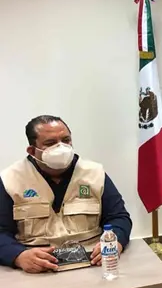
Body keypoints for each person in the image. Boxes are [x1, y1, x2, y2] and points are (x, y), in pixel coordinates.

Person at [0, 115, 132, 273]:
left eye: (66, 140)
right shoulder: (10, 180)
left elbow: (119, 217)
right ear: (32, 151)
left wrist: (116, 241)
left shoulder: (94, 174)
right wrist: (18, 255)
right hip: (39, 268)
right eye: (50, 143)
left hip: (92, 262)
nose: (61, 147)